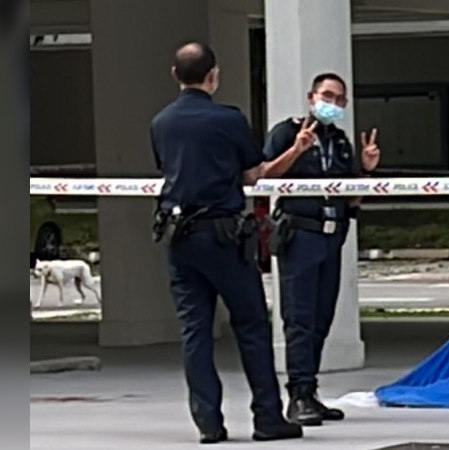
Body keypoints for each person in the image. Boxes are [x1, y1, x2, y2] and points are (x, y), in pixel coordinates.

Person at [151, 42, 303, 444]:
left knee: (195, 331)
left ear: (174, 75)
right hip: (223, 236)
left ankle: (209, 424)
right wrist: (292, 153)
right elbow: (254, 176)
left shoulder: (161, 122)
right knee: (251, 325)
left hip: (179, 238)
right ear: (213, 76)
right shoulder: (228, 119)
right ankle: (267, 418)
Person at [261, 73, 381, 426]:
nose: (333, 102)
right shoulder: (288, 132)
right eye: (326, 95)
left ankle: (310, 390)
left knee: (321, 317)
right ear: (311, 97)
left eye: (339, 98)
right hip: (300, 234)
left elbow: (351, 197)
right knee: (298, 317)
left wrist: (367, 172)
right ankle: (297, 395)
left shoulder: (340, 142)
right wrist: (297, 150)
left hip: (333, 234)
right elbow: (265, 176)